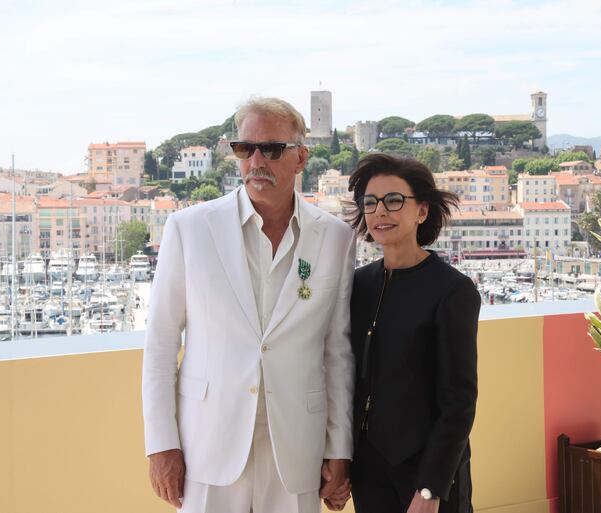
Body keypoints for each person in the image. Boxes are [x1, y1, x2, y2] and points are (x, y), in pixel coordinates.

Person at [142, 97, 355, 513]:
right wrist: (161, 445)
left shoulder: (335, 238)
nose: (256, 160)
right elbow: (161, 344)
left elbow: (338, 353)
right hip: (208, 446)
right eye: (245, 148)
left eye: (271, 149)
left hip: (297, 450)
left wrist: (339, 448)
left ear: (300, 158)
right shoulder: (189, 229)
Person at [343, 153, 481, 513]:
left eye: (393, 201)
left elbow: (459, 403)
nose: (379, 212)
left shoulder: (452, 290)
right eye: (370, 202)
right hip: (369, 468)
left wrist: (430, 489)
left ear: (422, 211)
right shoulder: (359, 285)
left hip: (426, 472)